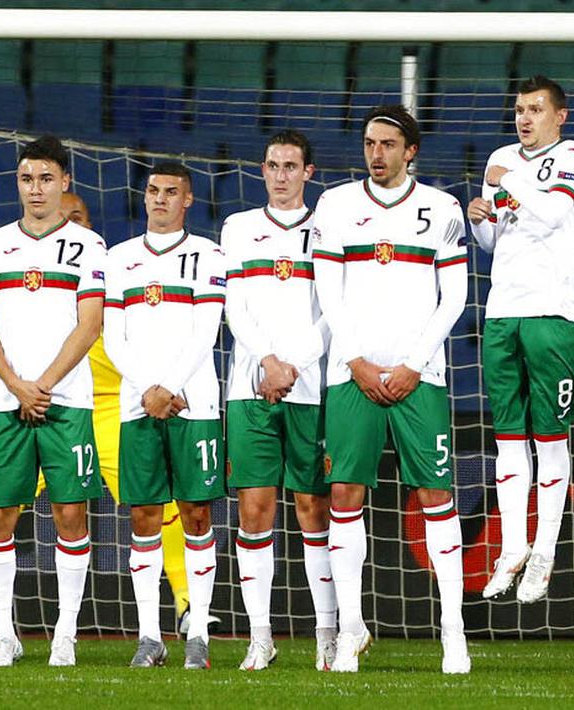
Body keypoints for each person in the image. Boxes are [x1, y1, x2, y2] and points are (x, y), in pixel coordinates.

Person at [0, 192, 204, 645]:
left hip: (110, 408)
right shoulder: (26, 279)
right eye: (64, 215)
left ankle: (185, 606)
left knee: (152, 502)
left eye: (77, 217)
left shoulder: (108, 275)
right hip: (38, 403)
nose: (66, 226)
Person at [312, 105, 471, 674]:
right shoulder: (335, 206)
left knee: (435, 497)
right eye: (368, 143)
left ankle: (454, 633)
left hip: (420, 377)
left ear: (411, 152)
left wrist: (412, 362)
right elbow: (328, 289)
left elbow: (453, 296)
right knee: (345, 496)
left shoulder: (442, 208)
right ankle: (351, 630)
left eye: (387, 143)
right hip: (350, 375)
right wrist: (355, 361)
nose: (375, 153)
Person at [0, 136, 106, 667]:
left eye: (46, 178)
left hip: (67, 401)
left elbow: (90, 324)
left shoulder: (89, 247)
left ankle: (64, 634)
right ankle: (5, 634)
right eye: (27, 178)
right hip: (6, 401)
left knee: (71, 513)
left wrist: (42, 384)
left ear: (64, 182)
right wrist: (18, 386)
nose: (36, 189)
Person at [468, 76, 574, 605]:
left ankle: (545, 550)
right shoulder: (502, 156)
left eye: (535, 109)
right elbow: (500, 237)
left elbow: (552, 213)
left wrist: (507, 182)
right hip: (502, 313)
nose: (524, 118)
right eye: (519, 109)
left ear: (559, 115)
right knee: (508, 440)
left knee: (550, 439)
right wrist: (479, 221)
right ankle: (512, 548)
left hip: (552, 315)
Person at [221, 130, 336, 671]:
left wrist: (292, 365)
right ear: (261, 170)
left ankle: (327, 633)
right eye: (273, 165)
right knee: (254, 509)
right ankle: (260, 635)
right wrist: (267, 361)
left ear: (308, 172)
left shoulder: (328, 228)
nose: (281, 174)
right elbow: (234, 307)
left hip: (311, 388)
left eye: (292, 165)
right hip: (251, 387)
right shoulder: (239, 228)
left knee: (315, 509)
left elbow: (333, 309)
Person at [104, 163, 226, 670]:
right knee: (143, 517)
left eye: (170, 192)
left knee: (197, 514)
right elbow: (113, 336)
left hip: (194, 402)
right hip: (139, 404)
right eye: (153, 191)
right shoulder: (119, 259)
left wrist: (169, 388)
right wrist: (149, 390)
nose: (159, 199)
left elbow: (208, 329)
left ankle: (197, 631)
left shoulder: (209, 255)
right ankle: (149, 636)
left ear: (188, 200)